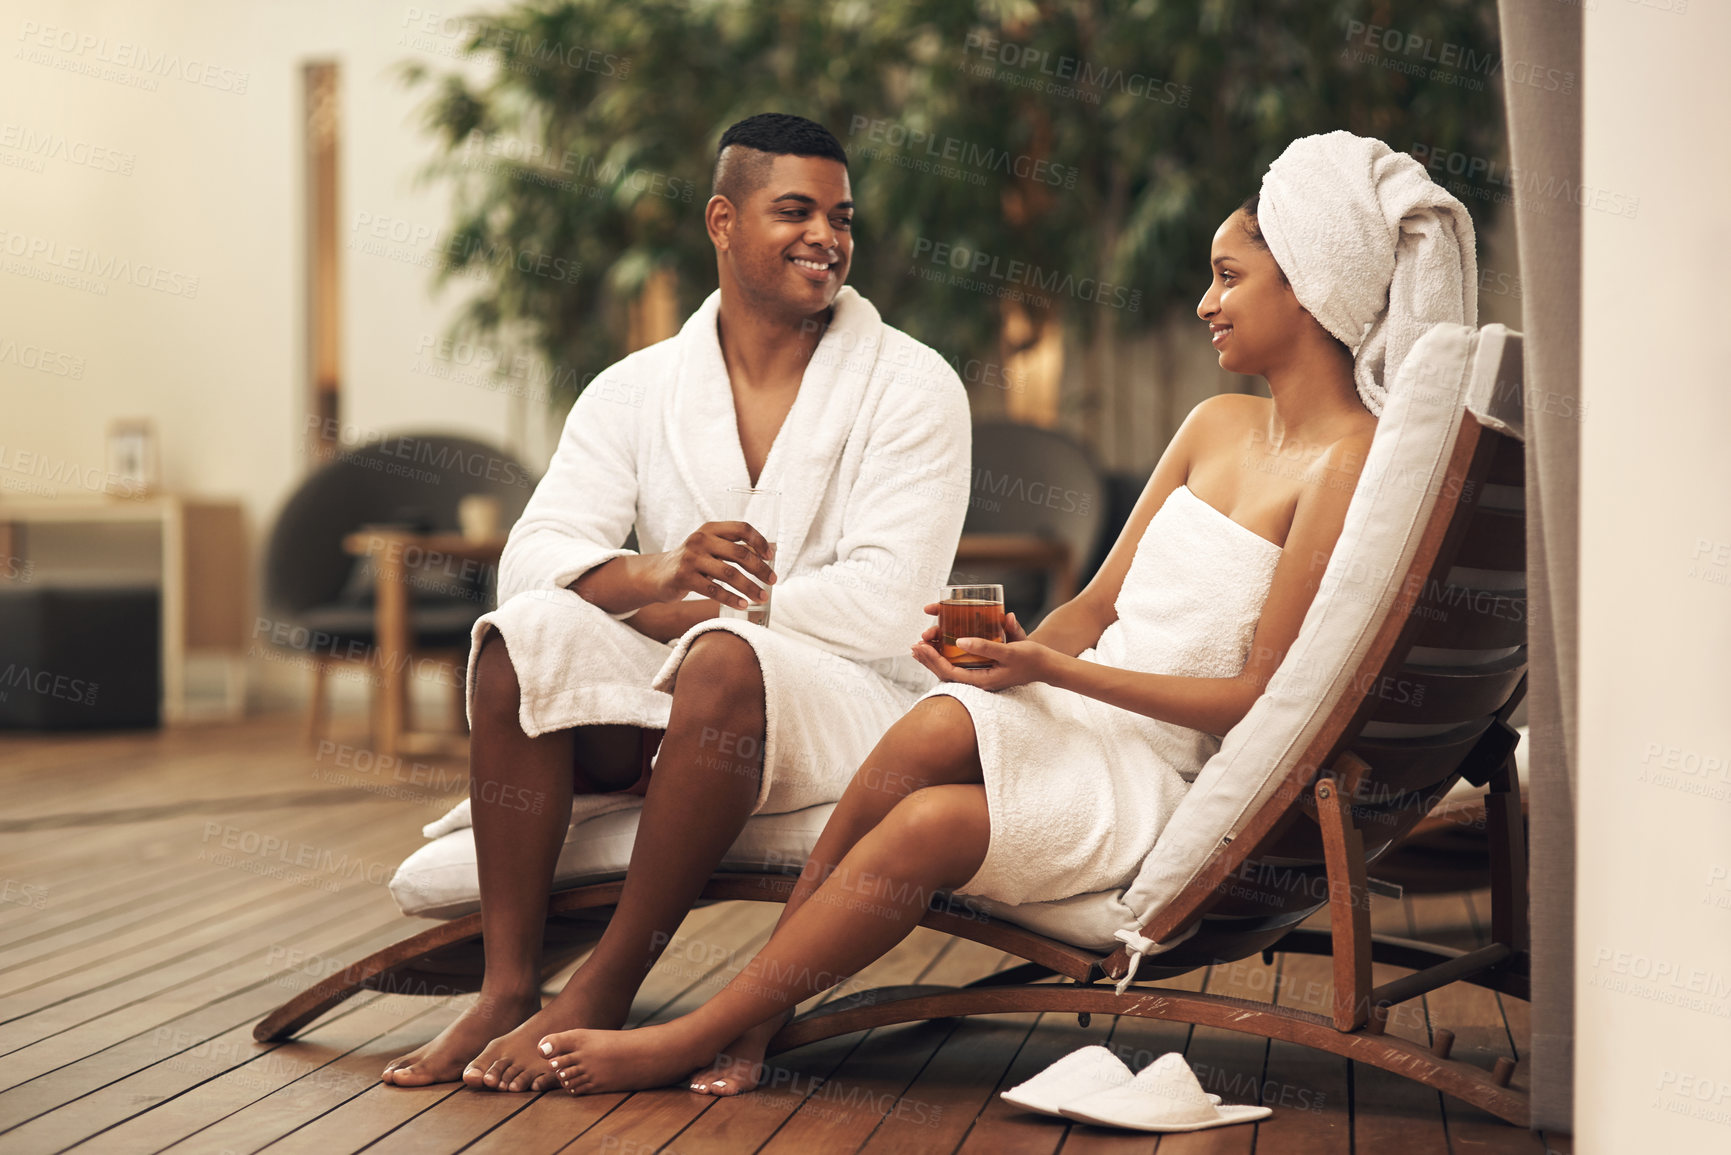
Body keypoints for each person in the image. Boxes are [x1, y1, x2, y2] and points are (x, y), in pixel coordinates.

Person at [523, 130, 1478, 1098]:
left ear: (1310, 287)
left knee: (927, 829)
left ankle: (701, 1034)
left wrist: (1053, 672)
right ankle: (762, 1009)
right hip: (1080, 718)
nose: (1206, 304)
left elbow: (1261, 700)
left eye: (1228, 278)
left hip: (1158, 770)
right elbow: (1097, 603)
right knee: (933, 721)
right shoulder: (1214, 424)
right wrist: (1019, 654)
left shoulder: (1347, 464)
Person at [381, 113, 971, 1090]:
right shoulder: (634, 391)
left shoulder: (911, 387)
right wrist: (650, 576)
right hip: (676, 697)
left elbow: (889, 606)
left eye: (842, 216)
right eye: (796, 210)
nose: (827, 235)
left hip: (852, 704)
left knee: (726, 659)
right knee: (518, 637)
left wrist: (697, 618)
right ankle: (506, 983)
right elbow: (531, 558)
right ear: (723, 220)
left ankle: (604, 986)